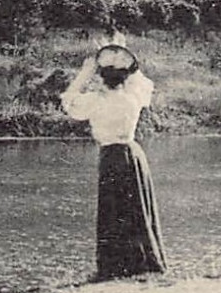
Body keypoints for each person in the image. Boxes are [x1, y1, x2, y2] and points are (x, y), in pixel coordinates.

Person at [62, 32, 167, 280]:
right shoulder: (132, 97)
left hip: (111, 155)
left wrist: (85, 72)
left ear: (101, 78)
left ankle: (113, 267)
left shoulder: (96, 101)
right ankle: (142, 263)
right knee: (137, 209)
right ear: (124, 78)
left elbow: (68, 102)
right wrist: (121, 53)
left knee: (113, 210)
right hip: (133, 153)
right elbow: (142, 82)